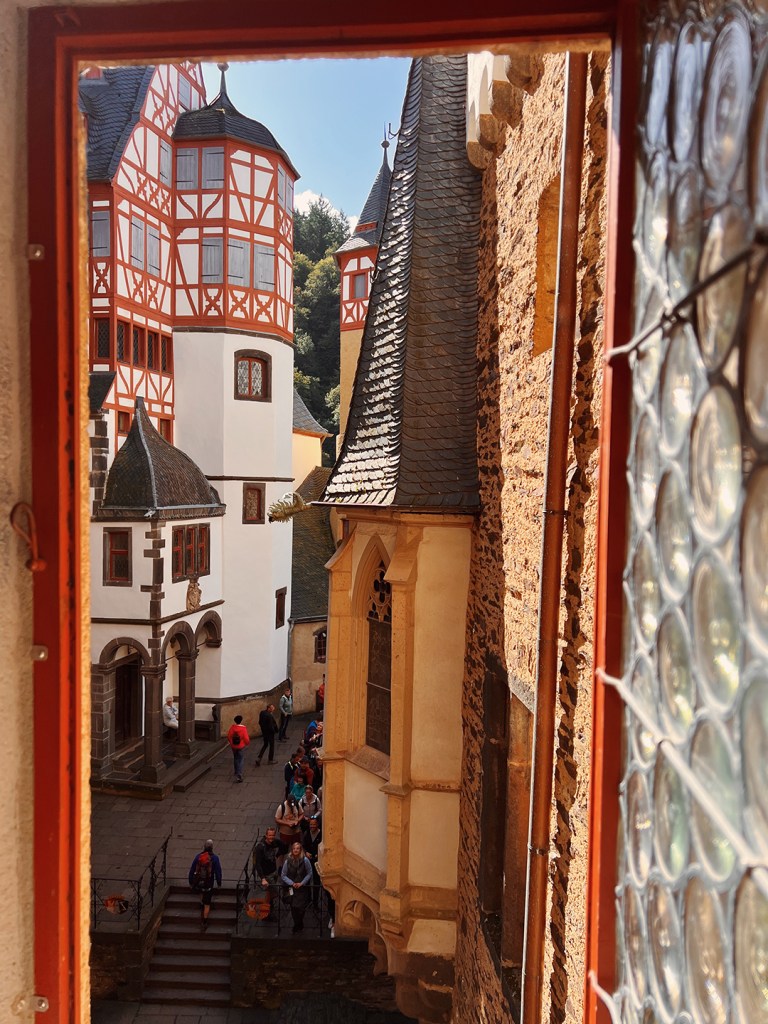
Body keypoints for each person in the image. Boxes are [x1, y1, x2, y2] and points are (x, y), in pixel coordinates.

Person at [188, 839, 222, 929]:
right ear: (212, 847)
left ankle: (201, 903)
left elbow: (192, 869)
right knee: (207, 904)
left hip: (199, 882)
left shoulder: (198, 857)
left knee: (201, 893)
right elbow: (218, 872)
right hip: (208, 884)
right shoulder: (215, 858)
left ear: (204, 846)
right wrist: (219, 883)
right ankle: (204, 921)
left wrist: (191, 881)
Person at [281, 839, 313, 933]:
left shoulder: (305, 860)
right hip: (292, 887)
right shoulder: (287, 861)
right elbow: (283, 875)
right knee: (293, 907)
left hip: (302, 888)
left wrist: (302, 883)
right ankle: (296, 924)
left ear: (300, 850)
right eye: (294, 848)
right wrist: (292, 883)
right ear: (292, 850)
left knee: (301, 907)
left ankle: (300, 922)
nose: (296, 850)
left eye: (298, 848)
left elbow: (309, 873)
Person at [227, 714, 250, 782]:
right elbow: (246, 738)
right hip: (241, 746)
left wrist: (231, 742)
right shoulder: (243, 728)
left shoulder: (232, 728)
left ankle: (236, 771)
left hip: (234, 746)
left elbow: (229, 736)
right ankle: (239, 774)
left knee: (235, 758)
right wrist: (247, 743)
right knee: (241, 759)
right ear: (241, 720)